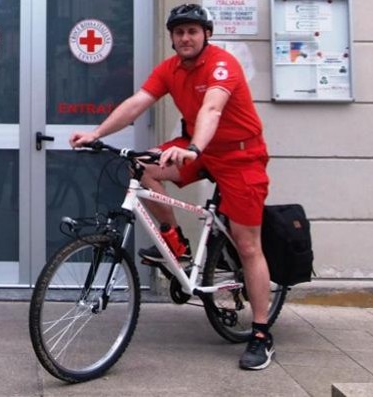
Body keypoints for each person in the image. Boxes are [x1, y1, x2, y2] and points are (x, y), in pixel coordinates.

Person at [68, 4, 274, 370]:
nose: (185, 38)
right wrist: (96, 133)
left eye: (192, 31)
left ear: (206, 34)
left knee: (248, 245)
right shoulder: (170, 69)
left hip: (240, 157)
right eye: (178, 33)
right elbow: (137, 103)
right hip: (198, 150)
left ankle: (261, 334)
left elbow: (212, 109)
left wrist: (193, 147)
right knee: (141, 166)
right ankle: (174, 240)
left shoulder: (221, 65)